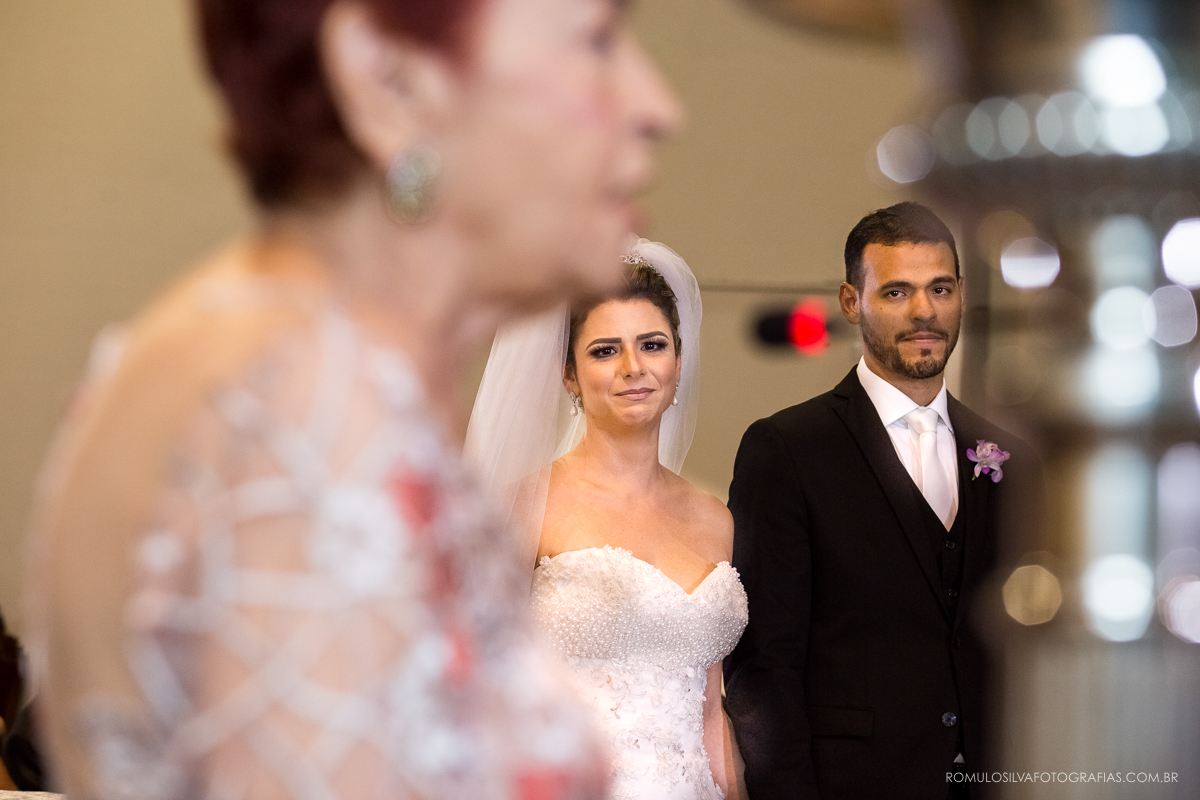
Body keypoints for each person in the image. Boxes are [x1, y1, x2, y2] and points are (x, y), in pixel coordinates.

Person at [28, 1, 681, 798]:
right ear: (386, 76)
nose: (656, 106)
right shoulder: (302, 413)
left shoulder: (298, 364)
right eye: (598, 42)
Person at [724, 202, 1042, 799]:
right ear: (852, 302)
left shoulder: (1010, 455)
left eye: (940, 288)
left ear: (962, 295)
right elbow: (765, 665)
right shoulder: (787, 449)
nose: (925, 311)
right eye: (897, 292)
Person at [466, 242, 748, 800]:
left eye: (652, 345)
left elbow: (711, 713)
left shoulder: (714, 518)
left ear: (678, 361)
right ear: (568, 375)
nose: (633, 368)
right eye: (604, 350)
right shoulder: (524, 507)